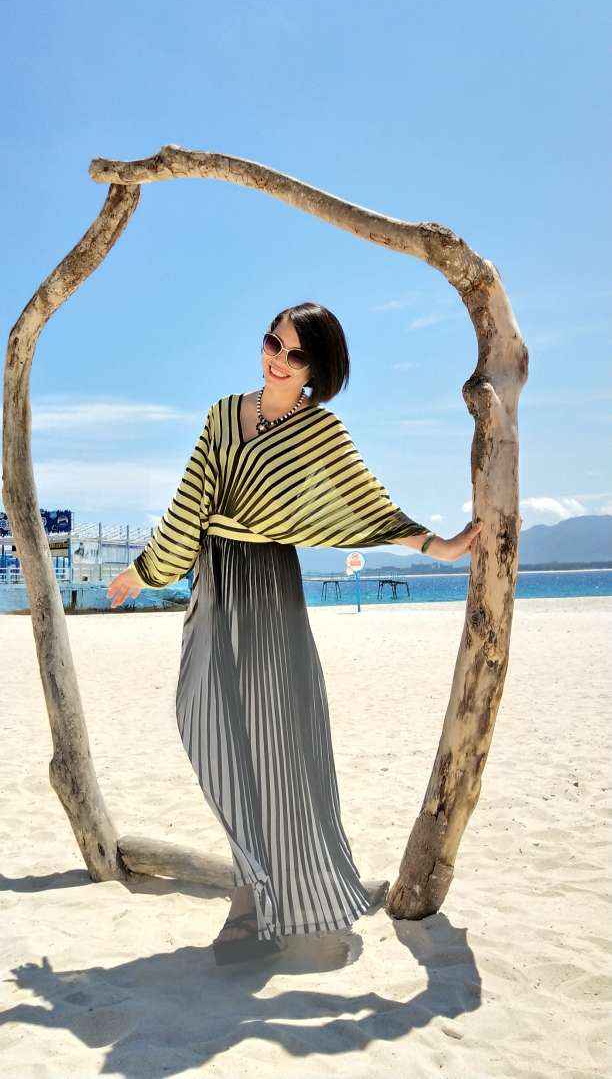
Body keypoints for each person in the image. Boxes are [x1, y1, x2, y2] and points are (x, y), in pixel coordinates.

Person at [106, 302, 482, 965]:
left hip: (270, 588)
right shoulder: (223, 413)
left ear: (317, 368)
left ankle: (251, 904)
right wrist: (144, 570)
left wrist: (441, 547)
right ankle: (258, 892)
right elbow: (188, 504)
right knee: (205, 720)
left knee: (274, 744)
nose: (278, 360)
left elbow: (369, 506)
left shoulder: (320, 433)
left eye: (296, 353)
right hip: (215, 582)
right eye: (272, 343)